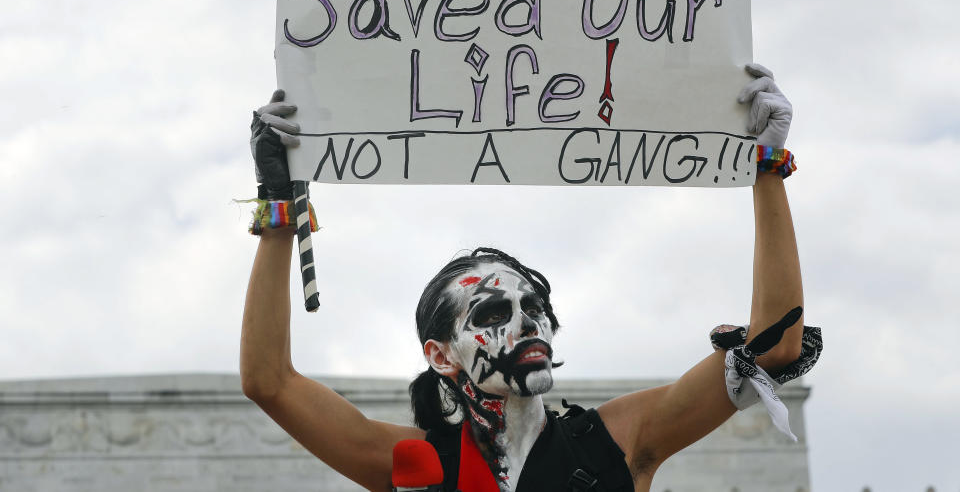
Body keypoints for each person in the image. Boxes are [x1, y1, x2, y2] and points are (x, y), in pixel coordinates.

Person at [240, 63, 821, 492]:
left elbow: (774, 345)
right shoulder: (416, 464)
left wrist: (769, 168)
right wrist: (276, 209)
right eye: (493, 315)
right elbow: (269, 382)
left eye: (533, 306)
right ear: (442, 356)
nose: (527, 322)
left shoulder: (615, 442)